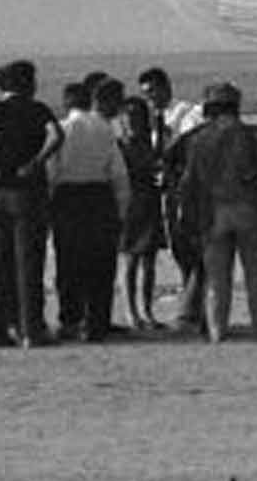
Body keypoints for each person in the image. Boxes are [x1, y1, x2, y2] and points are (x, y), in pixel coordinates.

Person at [179, 81, 257, 343]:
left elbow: (188, 181)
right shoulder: (251, 134)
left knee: (217, 279)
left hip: (213, 212)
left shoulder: (198, 139)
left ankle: (217, 332)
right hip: (247, 208)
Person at [0, 59, 62, 348]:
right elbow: (56, 135)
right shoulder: (37, 110)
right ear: (26, 83)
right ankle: (31, 330)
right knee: (28, 263)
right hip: (28, 192)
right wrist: (37, 161)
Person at [50, 78, 130, 342]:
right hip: (99, 196)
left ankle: (70, 319)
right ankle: (97, 321)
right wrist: (121, 210)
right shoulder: (104, 129)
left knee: (69, 262)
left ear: (67, 103)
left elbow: (51, 172)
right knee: (101, 263)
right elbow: (118, 174)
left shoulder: (61, 129)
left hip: (67, 198)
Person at [137, 66, 203, 326]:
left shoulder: (187, 113)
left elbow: (190, 147)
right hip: (158, 192)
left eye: (153, 91)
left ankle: (192, 305)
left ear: (166, 87)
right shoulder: (147, 118)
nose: (150, 97)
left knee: (188, 246)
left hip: (183, 189)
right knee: (175, 247)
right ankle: (189, 300)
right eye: (146, 94)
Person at [118, 96, 166, 331]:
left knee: (149, 261)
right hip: (131, 202)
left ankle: (147, 310)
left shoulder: (149, 141)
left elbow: (157, 163)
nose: (132, 122)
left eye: (137, 117)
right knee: (130, 260)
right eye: (128, 118)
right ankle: (131, 312)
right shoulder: (121, 145)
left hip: (149, 200)